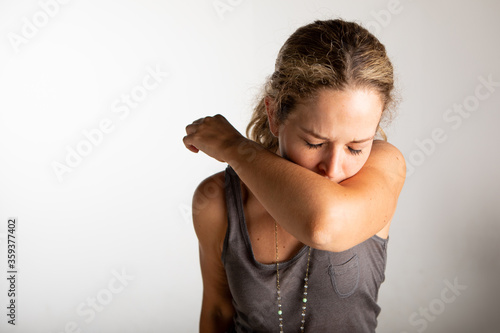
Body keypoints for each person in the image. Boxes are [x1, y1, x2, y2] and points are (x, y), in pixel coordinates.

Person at [183, 18, 406, 333]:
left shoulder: (385, 164)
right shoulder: (217, 200)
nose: (333, 168)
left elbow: (323, 226)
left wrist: (235, 147)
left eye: (356, 147)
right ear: (274, 115)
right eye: (315, 143)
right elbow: (218, 313)